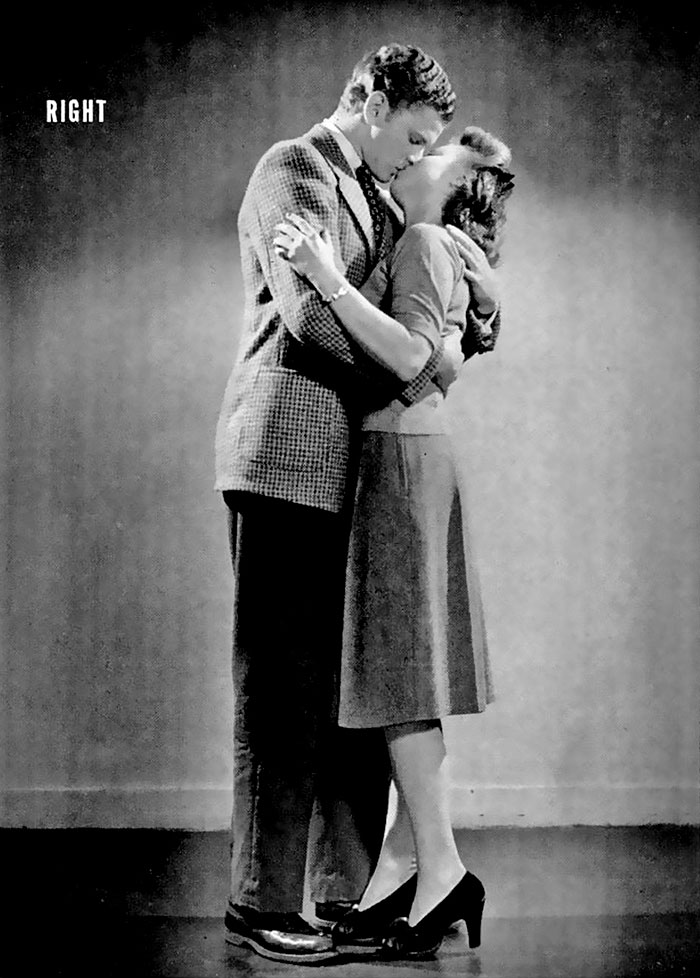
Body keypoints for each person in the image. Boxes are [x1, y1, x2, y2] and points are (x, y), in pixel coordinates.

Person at [214, 45, 501, 964]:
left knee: (354, 690)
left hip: (359, 469)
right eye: (412, 137)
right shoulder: (293, 169)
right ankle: (262, 903)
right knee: (282, 691)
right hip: (288, 457)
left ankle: (344, 891)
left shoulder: (385, 201)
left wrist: (445, 337)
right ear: (372, 102)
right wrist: (418, 364)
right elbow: (311, 317)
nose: (418, 158)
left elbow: (435, 313)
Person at [273, 126, 514, 958]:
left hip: (400, 460)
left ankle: (441, 872)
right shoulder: (439, 247)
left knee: (401, 676)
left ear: (456, 185)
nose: (416, 159)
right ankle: (403, 872)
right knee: (405, 672)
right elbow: (442, 356)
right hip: (413, 455)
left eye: (434, 156)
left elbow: (412, 358)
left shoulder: (421, 240)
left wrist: (328, 278)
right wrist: (479, 316)